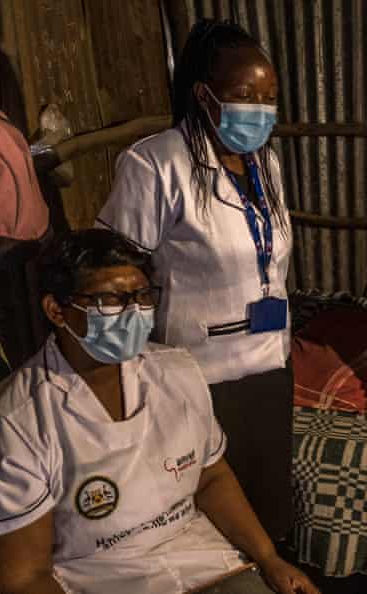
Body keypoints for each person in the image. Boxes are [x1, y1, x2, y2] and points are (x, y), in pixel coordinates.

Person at [0, 230, 319, 594]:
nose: (134, 312)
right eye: (111, 300)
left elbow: (211, 478)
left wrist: (270, 559)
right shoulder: (9, 424)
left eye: (142, 296)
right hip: (102, 580)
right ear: (56, 310)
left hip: (205, 565)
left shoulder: (177, 372)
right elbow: (24, 577)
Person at [96, 20, 294, 540]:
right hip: (196, 380)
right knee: (207, 522)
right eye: (244, 95)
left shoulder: (265, 165)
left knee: (268, 516)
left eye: (269, 96)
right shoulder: (156, 163)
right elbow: (114, 270)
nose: (260, 108)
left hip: (270, 368)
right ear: (204, 95)